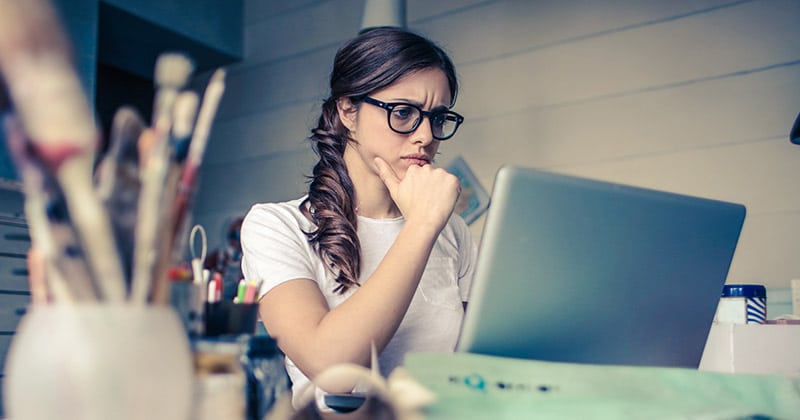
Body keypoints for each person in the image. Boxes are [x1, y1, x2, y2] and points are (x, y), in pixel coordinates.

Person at [240, 26, 476, 408]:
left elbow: (475, 369)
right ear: (347, 111)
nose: (425, 136)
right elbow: (332, 367)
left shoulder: (454, 233)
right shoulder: (275, 226)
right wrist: (420, 226)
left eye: (437, 117)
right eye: (403, 113)